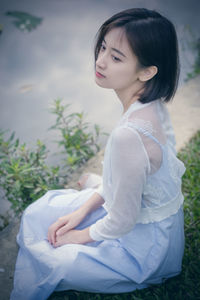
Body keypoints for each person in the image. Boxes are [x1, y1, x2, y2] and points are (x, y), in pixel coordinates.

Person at [10, 8, 186, 300]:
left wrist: (76, 236)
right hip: (154, 224)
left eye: (116, 57)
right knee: (41, 213)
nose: (100, 61)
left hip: (144, 251)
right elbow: (132, 180)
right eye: (103, 47)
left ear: (147, 71)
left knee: (50, 256)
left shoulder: (128, 135)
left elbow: (122, 221)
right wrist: (81, 212)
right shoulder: (150, 104)